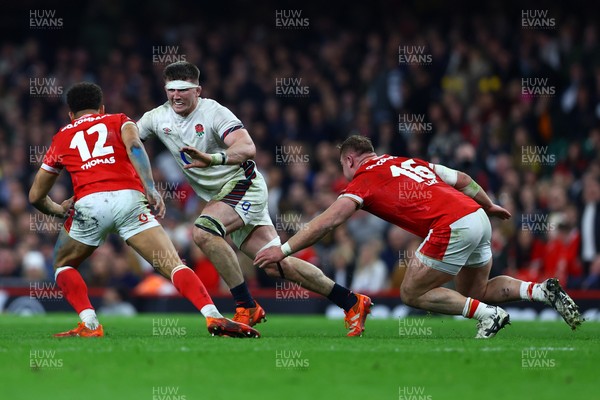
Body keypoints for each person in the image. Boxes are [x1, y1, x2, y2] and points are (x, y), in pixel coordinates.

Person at [255, 135, 584, 338]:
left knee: (411, 292)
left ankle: (490, 316)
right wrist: (489, 205)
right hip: (477, 217)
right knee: (476, 291)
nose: (344, 172)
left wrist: (282, 249)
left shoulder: (363, 180)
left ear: (350, 160)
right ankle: (540, 291)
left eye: (343, 165)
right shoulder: (407, 161)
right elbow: (464, 179)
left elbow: (327, 222)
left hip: (450, 224)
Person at [137, 62, 371, 336]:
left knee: (202, 232)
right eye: (171, 89)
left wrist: (214, 159)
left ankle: (246, 305)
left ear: (198, 90)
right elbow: (128, 139)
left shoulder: (214, 113)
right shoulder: (157, 117)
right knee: (275, 263)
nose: (176, 95)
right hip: (222, 197)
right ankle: (352, 301)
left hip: (243, 185)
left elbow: (248, 147)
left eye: (184, 89)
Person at [29, 82, 259, 338]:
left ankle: (90, 324)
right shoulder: (119, 120)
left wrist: (58, 210)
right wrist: (150, 187)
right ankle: (213, 316)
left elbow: (36, 196)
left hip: (89, 204)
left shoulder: (61, 137)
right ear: (102, 108)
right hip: (129, 199)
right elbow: (135, 147)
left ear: (70, 114)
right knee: (172, 265)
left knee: (63, 264)